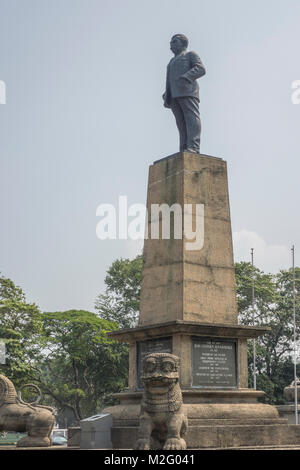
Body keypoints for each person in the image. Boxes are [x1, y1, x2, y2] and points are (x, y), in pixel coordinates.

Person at [163, 34, 206, 153]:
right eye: (171, 42)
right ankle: (184, 147)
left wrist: (187, 77)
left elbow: (201, 69)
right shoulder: (171, 61)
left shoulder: (190, 55)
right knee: (180, 122)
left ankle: (194, 146)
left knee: (191, 119)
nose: (171, 44)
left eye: (174, 41)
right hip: (174, 95)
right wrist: (167, 92)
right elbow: (169, 79)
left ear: (183, 43)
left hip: (188, 91)